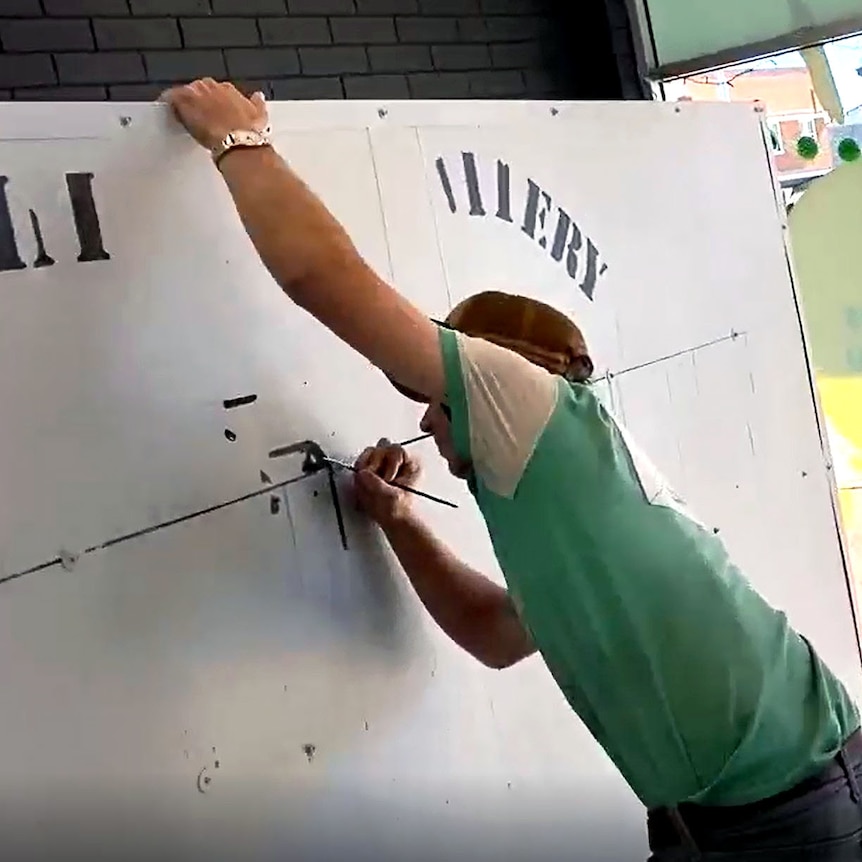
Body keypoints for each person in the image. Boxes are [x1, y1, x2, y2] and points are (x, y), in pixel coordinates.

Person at [164, 79, 862, 860]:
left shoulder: (533, 407)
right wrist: (399, 522)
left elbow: (325, 284)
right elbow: (496, 634)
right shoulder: (568, 507)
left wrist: (239, 142)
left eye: (436, 397)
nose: (426, 418)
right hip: (732, 818)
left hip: (785, 814)